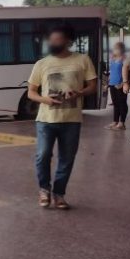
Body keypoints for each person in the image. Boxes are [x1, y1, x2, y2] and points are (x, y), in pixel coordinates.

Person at [27, 24, 98, 209]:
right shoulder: (42, 64)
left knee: (67, 158)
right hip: (45, 120)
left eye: (57, 40)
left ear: (68, 41)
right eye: (51, 40)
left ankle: (59, 194)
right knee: (43, 155)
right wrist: (46, 100)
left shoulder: (82, 60)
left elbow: (92, 86)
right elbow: (31, 93)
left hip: (71, 120)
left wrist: (79, 93)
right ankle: (44, 189)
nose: (53, 43)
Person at [107, 42, 128, 130]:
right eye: (114, 48)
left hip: (120, 85)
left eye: (116, 48)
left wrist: (123, 84)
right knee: (115, 104)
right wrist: (107, 83)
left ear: (121, 49)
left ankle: (122, 123)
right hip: (112, 84)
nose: (114, 50)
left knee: (122, 104)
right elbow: (111, 72)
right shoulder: (113, 58)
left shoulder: (125, 59)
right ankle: (115, 121)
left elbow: (129, 73)